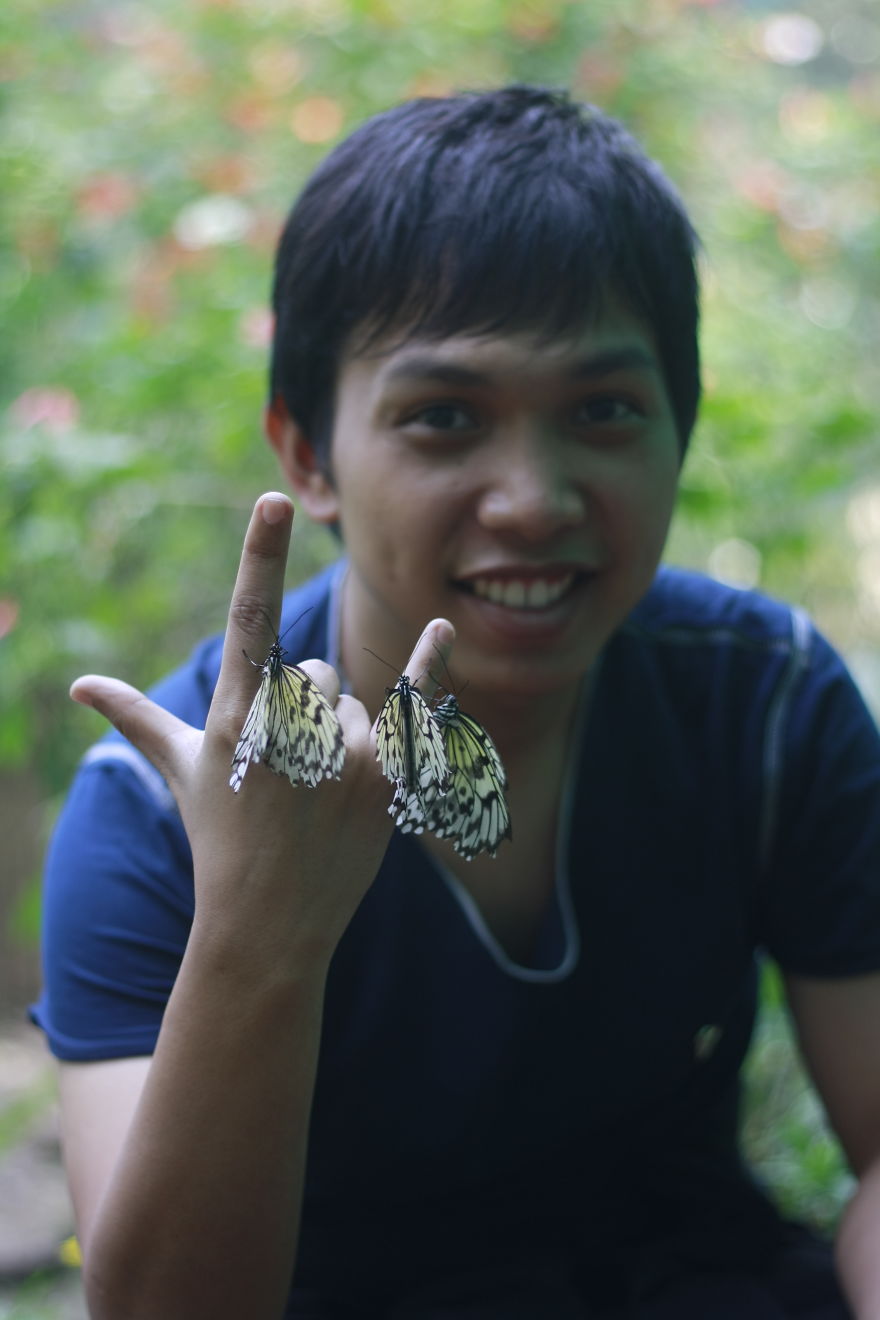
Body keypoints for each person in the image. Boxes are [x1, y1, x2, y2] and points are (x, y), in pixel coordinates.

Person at [32, 85, 880, 1320]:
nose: (532, 498)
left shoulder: (761, 702)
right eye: (443, 419)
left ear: (677, 430)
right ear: (308, 454)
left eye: (601, 411)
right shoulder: (154, 811)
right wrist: (262, 931)